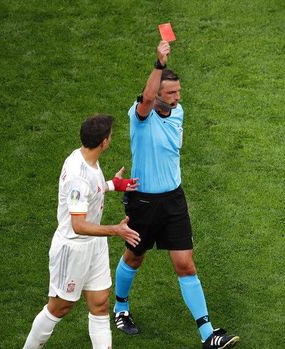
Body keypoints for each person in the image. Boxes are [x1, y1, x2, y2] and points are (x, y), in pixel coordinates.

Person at [111, 40, 239, 349]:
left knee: (185, 264)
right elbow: (144, 101)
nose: (177, 97)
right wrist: (158, 64)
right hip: (143, 203)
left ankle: (208, 334)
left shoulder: (178, 112)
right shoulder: (139, 117)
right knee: (134, 256)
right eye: (170, 93)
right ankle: (120, 308)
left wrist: (171, 90)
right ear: (157, 94)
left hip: (173, 202)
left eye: (178, 92)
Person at [23, 114, 141, 348]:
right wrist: (116, 230)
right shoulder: (78, 175)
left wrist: (111, 184)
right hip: (73, 247)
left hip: (93, 245)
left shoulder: (88, 159)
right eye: (110, 136)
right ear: (103, 142)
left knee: (100, 303)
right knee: (59, 307)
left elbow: (90, 191)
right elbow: (78, 224)